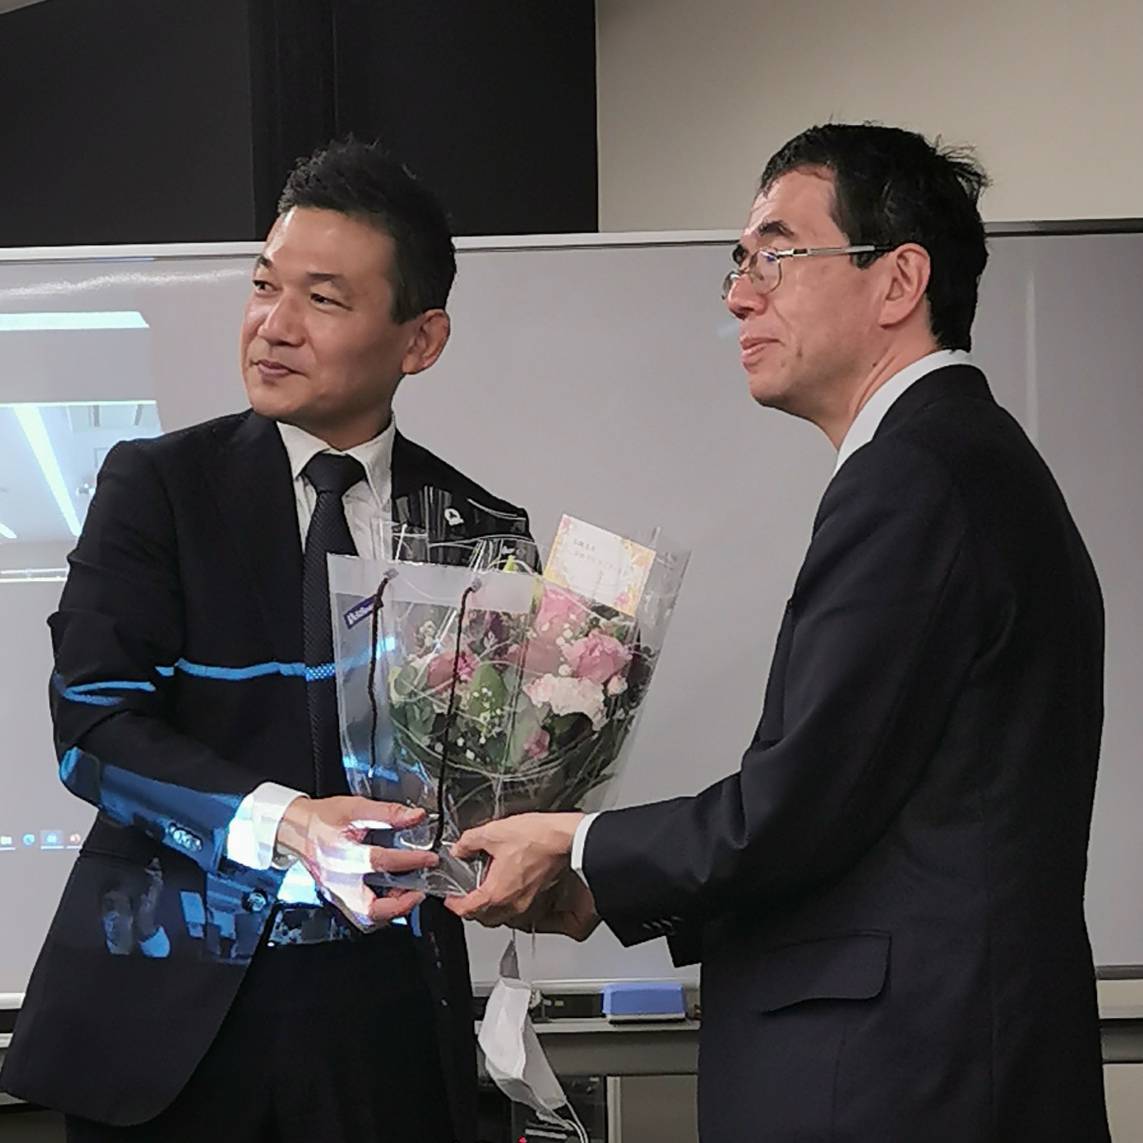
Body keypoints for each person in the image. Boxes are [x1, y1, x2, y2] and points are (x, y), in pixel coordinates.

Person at [446, 124, 1111, 1141]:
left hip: (905, 1086)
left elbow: (794, 805)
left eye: (775, 255)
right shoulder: (961, 460)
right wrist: (598, 893)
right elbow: (867, 821)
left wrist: (574, 840)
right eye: (738, 263)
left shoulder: (914, 477)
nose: (738, 296)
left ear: (898, 282)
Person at [0, 139, 533, 1143]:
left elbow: (490, 777)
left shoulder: (481, 531)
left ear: (420, 339)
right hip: (174, 1024)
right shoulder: (156, 487)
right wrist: (290, 824)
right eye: (263, 285)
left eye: (322, 300)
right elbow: (94, 729)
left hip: (387, 1030)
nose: (273, 325)